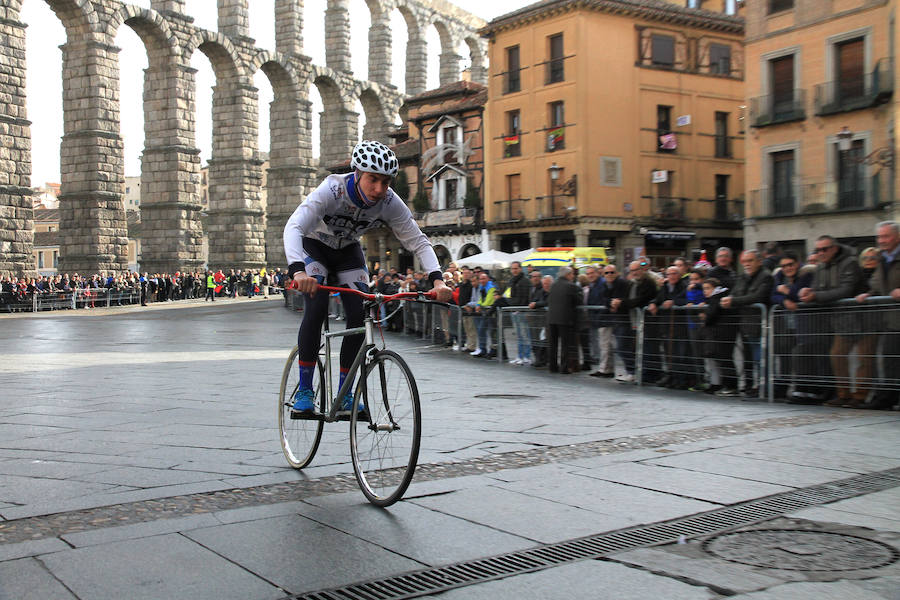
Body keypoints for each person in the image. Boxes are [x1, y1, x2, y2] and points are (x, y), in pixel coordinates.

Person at [284, 140, 451, 415]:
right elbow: (293, 226)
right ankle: (304, 390)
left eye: (386, 182)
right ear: (357, 173)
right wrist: (298, 270)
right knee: (316, 307)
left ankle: (346, 394)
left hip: (348, 251)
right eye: (373, 180)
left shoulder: (388, 201)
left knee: (361, 316)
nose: (379, 189)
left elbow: (418, 242)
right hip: (314, 247)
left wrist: (438, 280)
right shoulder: (333, 189)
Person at [799, 235, 866, 406]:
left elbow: (846, 290)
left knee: (865, 358)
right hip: (840, 319)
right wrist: (807, 292)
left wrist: (816, 296)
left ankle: (859, 397)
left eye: (824, 249)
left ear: (834, 248)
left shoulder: (849, 262)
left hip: (863, 316)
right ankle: (843, 395)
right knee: (837, 355)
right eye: (818, 250)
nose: (821, 253)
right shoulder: (820, 267)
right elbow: (817, 288)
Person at [857, 221, 900, 409]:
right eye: (879, 237)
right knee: (889, 358)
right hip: (892, 319)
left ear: (897, 236)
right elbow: (877, 283)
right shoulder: (882, 258)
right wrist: (870, 293)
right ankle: (888, 398)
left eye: (886, 236)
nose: (881, 241)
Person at [720, 250, 773, 399]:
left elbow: (758, 297)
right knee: (751, 358)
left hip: (761, 322)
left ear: (759, 261)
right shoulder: (742, 277)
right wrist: (730, 299)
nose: (747, 264)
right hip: (746, 322)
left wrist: (734, 301)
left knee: (761, 357)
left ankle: (765, 387)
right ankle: (754, 385)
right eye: (744, 261)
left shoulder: (766, 276)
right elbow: (736, 293)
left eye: (750, 261)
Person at [589, 264, 628, 378]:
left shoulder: (618, 283)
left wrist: (615, 303)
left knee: (615, 345)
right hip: (605, 318)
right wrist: (610, 303)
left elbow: (605, 299)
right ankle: (606, 369)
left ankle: (607, 369)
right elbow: (604, 299)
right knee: (606, 345)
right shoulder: (604, 284)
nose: (609, 274)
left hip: (613, 318)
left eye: (612, 272)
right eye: (607, 273)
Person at [547, 266, 582, 374]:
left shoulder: (553, 285)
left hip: (552, 318)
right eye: (572, 274)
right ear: (567, 275)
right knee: (565, 345)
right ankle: (564, 367)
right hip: (565, 319)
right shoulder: (571, 286)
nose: (573, 276)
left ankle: (552, 366)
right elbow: (579, 301)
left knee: (553, 344)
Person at [505, 261, 533, 365]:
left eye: (516, 268)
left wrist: (520, 308)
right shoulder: (512, 281)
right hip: (514, 310)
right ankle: (520, 356)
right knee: (519, 335)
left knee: (525, 335)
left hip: (521, 311)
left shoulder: (525, 281)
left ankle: (527, 356)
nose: (514, 271)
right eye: (512, 269)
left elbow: (526, 297)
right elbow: (509, 295)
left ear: (520, 269)